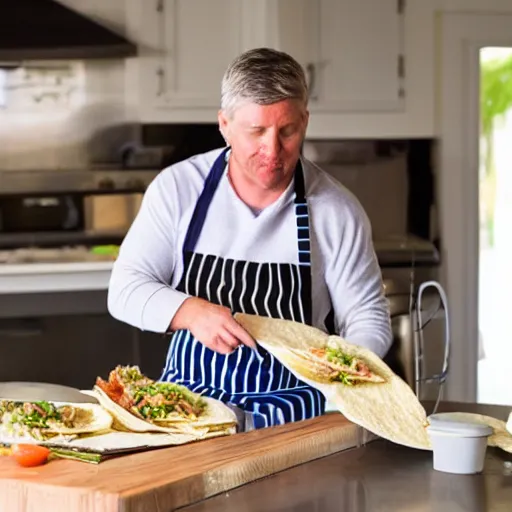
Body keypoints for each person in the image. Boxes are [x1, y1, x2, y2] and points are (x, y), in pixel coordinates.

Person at [108, 47, 392, 429]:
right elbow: (124, 291)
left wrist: (349, 372)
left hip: (293, 417)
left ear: (304, 122)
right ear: (224, 124)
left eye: (286, 131)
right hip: (189, 412)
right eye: (256, 131)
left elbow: (367, 316)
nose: (272, 150)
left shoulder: (336, 210)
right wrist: (191, 312)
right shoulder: (179, 189)